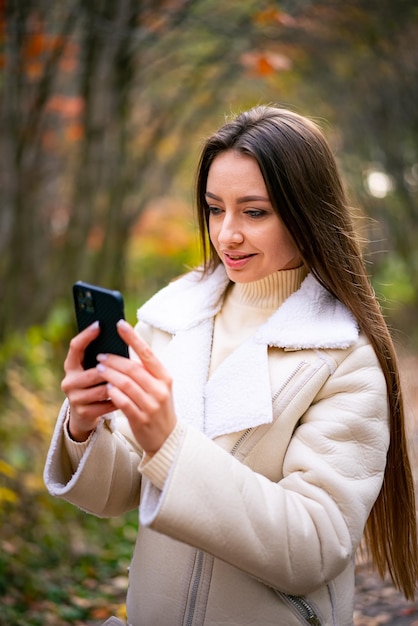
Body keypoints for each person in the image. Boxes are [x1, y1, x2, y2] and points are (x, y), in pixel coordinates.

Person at [44, 105, 417, 626]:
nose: (227, 235)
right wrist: (86, 427)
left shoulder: (344, 358)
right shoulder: (175, 314)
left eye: (255, 212)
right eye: (215, 209)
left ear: (305, 212)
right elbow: (117, 493)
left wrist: (169, 445)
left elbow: (313, 546)